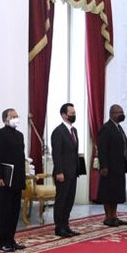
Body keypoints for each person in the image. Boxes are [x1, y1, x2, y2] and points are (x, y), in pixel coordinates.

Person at [0, 109, 27, 251]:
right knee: (3, 212)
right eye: (13, 116)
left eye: (17, 116)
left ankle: (11, 239)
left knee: (14, 212)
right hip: (3, 179)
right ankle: (2, 242)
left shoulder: (19, 135)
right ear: (5, 119)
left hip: (16, 179)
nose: (16, 118)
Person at [48, 102, 86, 238]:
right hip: (62, 173)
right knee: (62, 200)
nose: (74, 115)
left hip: (73, 172)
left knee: (69, 200)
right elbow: (56, 154)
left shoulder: (74, 131)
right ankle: (59, 227)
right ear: (64, 115)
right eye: (72, 113)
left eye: (74, 113)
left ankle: (66, 225)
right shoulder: (58, 132)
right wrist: (59, 171)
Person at [96, 105, 127, 227]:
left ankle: (114, 216)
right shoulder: (106, 128)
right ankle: (108, 217)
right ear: (112, 114)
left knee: (116, 193)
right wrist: (104, 166)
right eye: (119, 112)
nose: (122, 114)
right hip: (109, 167)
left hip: (119, 166)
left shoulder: (118, 127)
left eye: (122, 112)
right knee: (108, 193)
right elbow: (102, 149)